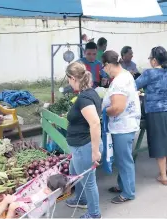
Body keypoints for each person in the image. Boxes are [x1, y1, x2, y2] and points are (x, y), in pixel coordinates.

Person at [136, 46, 167, 186]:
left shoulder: (149, 73)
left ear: (155, 60)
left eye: (150, 58)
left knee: (158, 143)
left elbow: (133, 85)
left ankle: (163, 176)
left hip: (154, 112)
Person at [101, 50, 141, 204]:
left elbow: (117, 108)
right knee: (121, 158)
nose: (104, 71)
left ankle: (128, 193)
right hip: (125, 124)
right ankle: (122, 185)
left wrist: (104, 111)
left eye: (104, 68)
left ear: (108, 65)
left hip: (122, 125)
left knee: (124, 160)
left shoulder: (119, 81)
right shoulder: (125, 74)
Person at [64, 62, 102, 219]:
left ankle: (94, 214)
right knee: (74, 173)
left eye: (68, 79)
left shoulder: (84, 98)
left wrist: (95, 151)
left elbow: (95, 122)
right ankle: (82, 199)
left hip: (84, 146)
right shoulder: (90, 93)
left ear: (72, 78)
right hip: (79, 146)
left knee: (88, 181)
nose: (68, 82)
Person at [0, 174, 68, 219]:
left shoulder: (45, 195)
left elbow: (31, 200)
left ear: (54, 190)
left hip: (33, 208)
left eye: (48, 188)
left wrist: (16, 198)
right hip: (32, 202)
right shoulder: (56, 191)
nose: (46, 188)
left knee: (12, 205)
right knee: (7, 199)